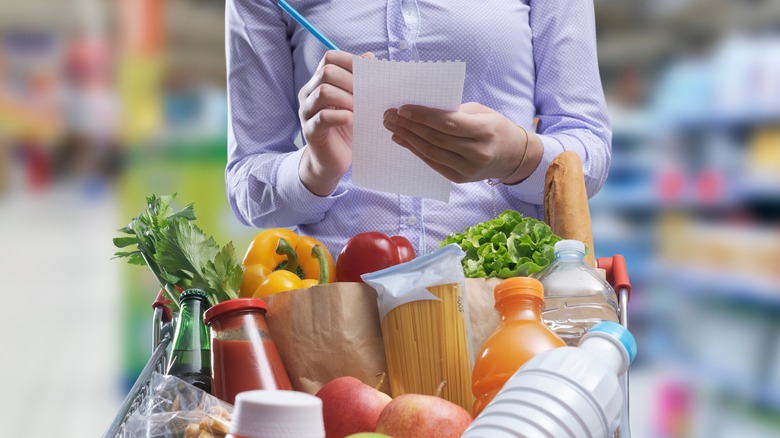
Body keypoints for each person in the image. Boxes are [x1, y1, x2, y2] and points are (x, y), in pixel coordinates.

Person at [224, 0, 611, 258]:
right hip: (338, 308)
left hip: (501, 297)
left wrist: (517, 157)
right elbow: (245, 182)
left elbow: (589, 147)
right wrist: (314, 171)